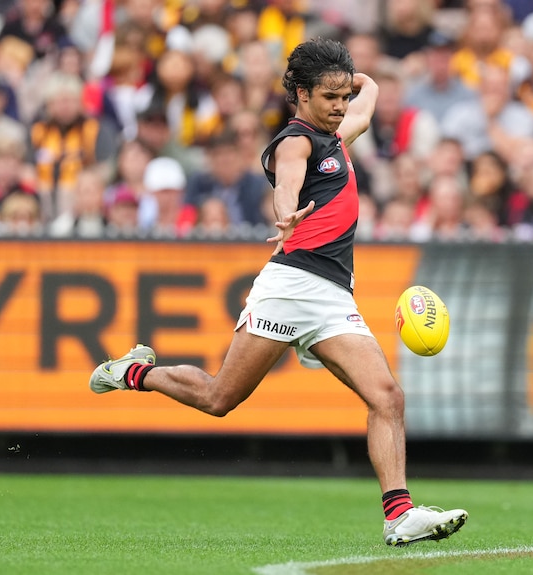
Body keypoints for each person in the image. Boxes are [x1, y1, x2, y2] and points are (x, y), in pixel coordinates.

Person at [88, 37, 468, 547]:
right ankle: (133, 371)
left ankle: (398, 516)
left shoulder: (336, 135)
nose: (340, 107)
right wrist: (285, 210)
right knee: (220, 398)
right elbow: (287, 181)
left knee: (387, 397)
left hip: (333, 294)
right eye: (329, 98)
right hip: (290, 286)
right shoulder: (296, 141)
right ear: (302, 96)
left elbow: (369, 96)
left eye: (342, 97)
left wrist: (354, 79)